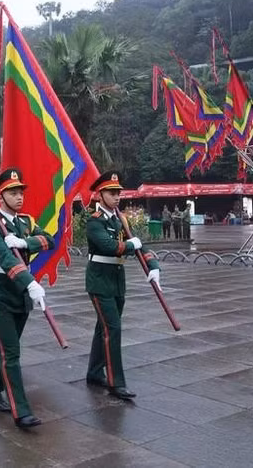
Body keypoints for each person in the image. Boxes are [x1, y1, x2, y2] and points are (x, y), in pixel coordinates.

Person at [0, 168, 54, 430]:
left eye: (21, 191)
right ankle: (21, 410)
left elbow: (49, 240)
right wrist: (31, 283)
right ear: (0, 196)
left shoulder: (26, 223)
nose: (19, 196)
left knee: (4, 347)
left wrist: (25, 243)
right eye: (13, 192)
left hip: (20, 296)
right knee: (11, 352)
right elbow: (5, 260)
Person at [85, 171, 161, 400]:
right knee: (113, 329)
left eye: (118, 193)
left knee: (104, 328)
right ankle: (115, 382)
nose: (117, 197)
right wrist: (129, 245)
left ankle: (95, 372)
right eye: (112, 193)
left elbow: (141, 246)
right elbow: (108, 246)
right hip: (99, 281)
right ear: (100, 195)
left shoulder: (121, 220)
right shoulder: (94, 220)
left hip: (117, 280)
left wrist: (153, 266)